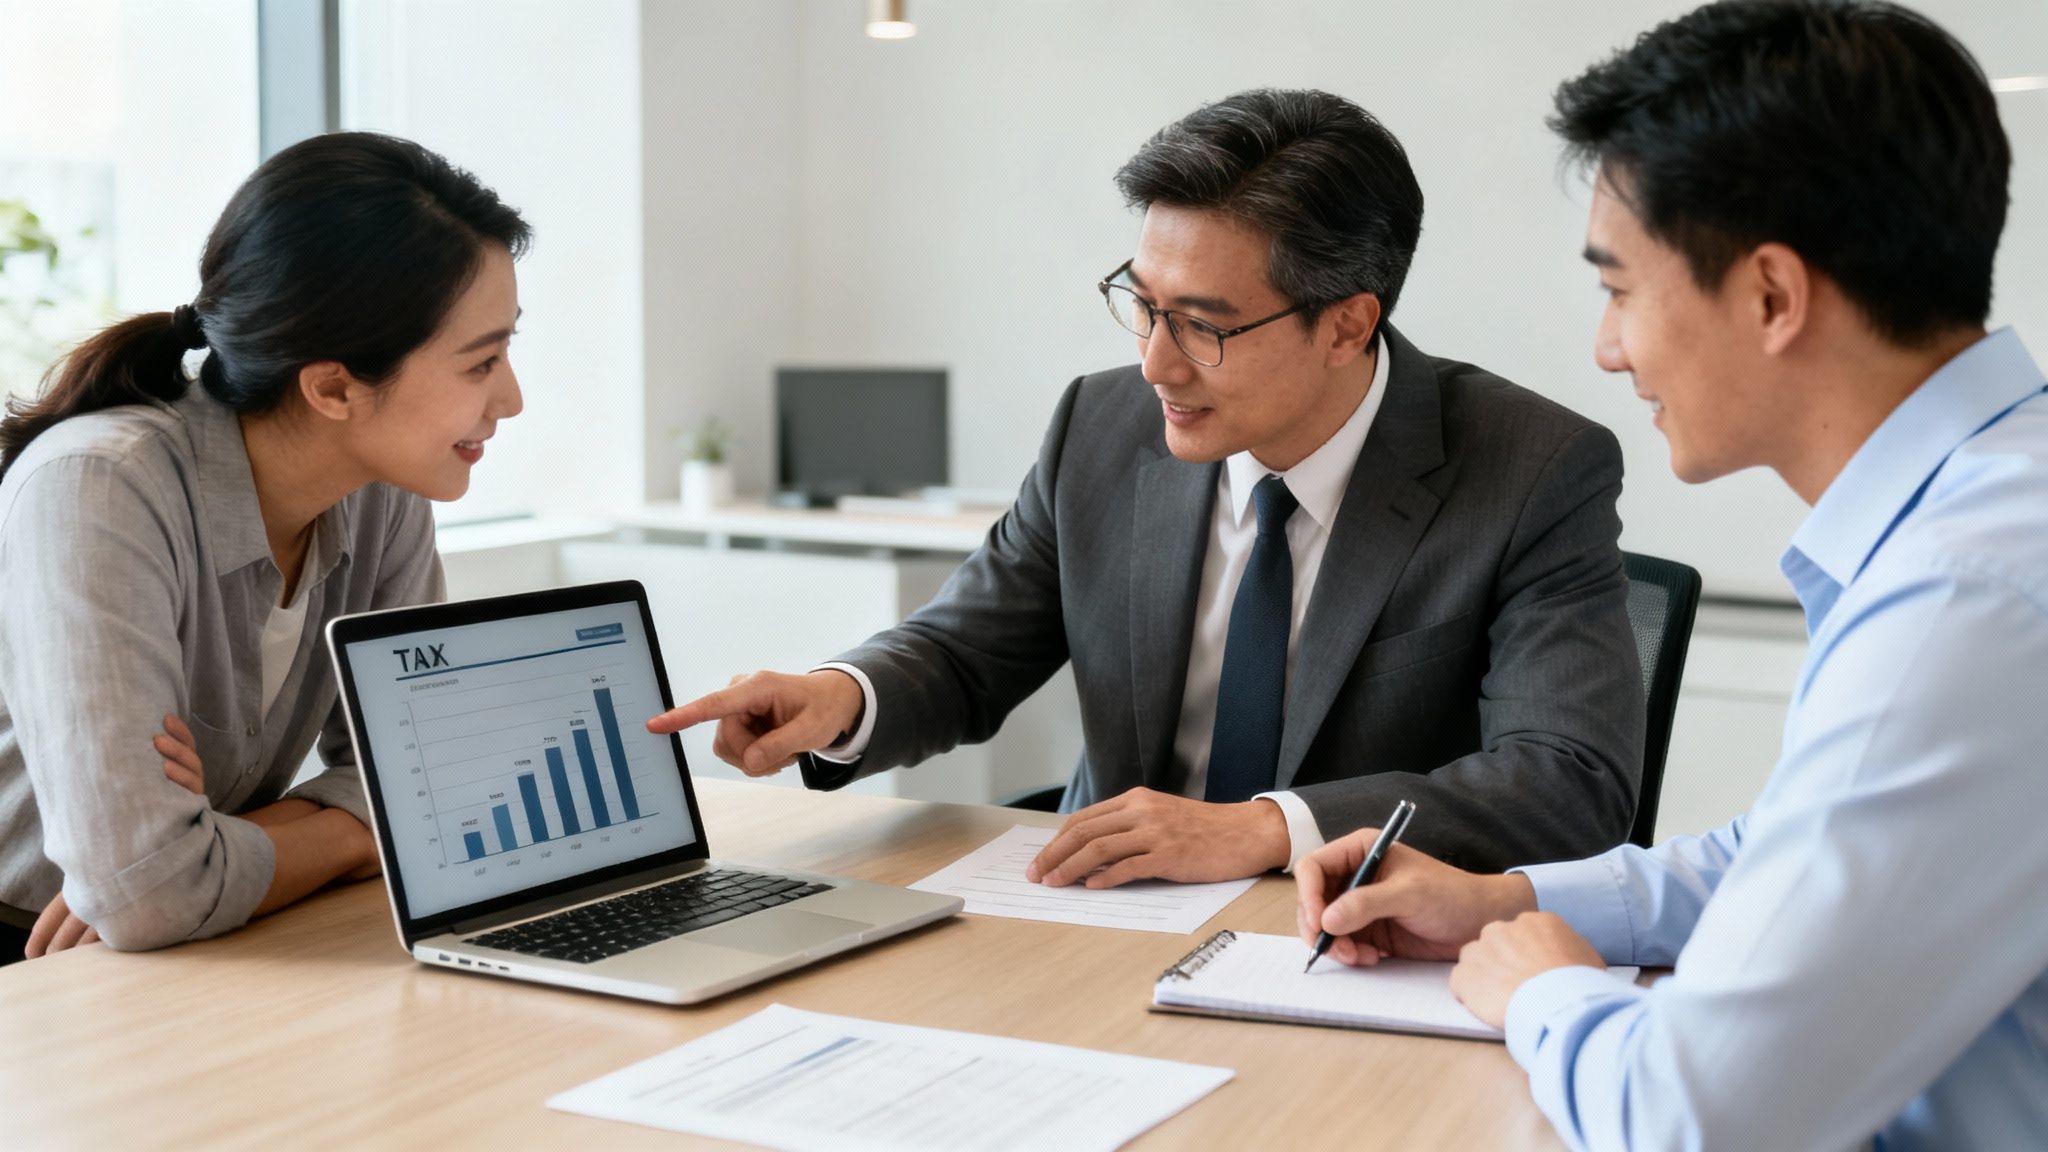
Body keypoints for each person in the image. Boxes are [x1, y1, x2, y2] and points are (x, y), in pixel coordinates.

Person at [1294, 3, 2046, 1148]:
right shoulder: (1992, 505)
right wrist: (1512, 902)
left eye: (1616, 288)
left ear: (1769, 296)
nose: (1606, 348)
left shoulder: (1969, 596)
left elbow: (1697, 1118)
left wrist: (1539, 985)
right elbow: (1796, 853)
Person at [651, 88, 1645, 886]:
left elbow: (1566, 781)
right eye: (1142, 304)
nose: (1156, 366)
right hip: (1103, 918)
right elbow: (966, 651)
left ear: (1346, 325)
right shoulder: (1101, 423)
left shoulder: (1528, 469)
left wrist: (1263, 830)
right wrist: (840, 696)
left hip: (1359, 934)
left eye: (1204, 325)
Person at [0, 132, 529, 961]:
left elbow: (438, 782)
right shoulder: (100, 486)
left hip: (211, 935)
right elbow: (146, 896)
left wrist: (222, 844)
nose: (512, 398)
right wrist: (358, 827)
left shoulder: (384, 484)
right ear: (333, 387)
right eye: (482, 362)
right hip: (39, 957)